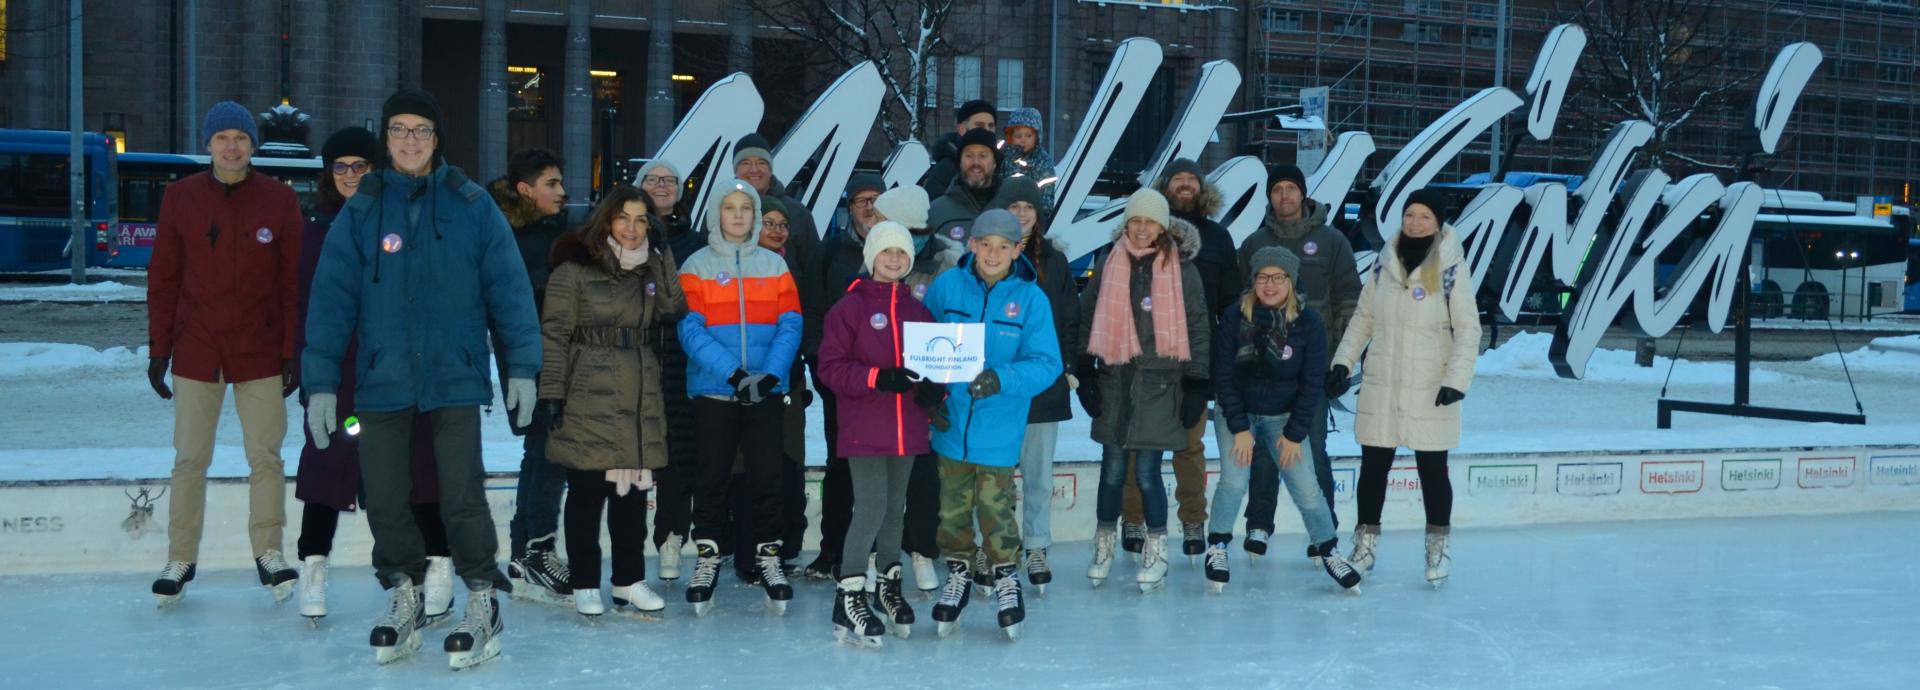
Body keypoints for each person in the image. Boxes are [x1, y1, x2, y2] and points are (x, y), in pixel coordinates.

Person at [303, 89, 541, 668]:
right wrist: (322, 383)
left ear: (437, 140)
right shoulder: (362, 209)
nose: (411, 140)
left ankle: (483, 598)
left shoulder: (471, 204)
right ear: (386, 139)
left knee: (460, 494)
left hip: (453, 376)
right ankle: (404, 593)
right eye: (400, 130)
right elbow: (331, 302)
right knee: (384, 495)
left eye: (422, 130)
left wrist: (523, 366)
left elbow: (508, 290)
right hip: (382, 378)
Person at [293, 126, 454, 623]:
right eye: (340, 167)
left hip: (402, 367)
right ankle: (313, 565)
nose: (349, 176)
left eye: (359, 166)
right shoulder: (316, 226)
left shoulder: (402, 216)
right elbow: (306, 305)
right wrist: (310, 371)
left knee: (418, 468)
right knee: (330, 462)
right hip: (341, 372)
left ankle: (436, 565)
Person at [146, 101, 303, 608]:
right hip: (197, 349)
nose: (231, 146)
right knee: (190, 458)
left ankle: (270, 551)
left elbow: (292, 283)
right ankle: (180, 556)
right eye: (222, 138)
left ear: (253, 145)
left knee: (266, 457)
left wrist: (290, 350)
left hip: (257, 349)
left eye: (240, 137)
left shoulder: (278, 200)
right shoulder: (180, 198)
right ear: (208, 144)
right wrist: (159, 350)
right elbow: (164, 278)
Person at [537, 185, 685, 617]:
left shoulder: (648, 271)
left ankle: (628, 580)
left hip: (638, 386)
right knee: (586, 492)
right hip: (588, 385)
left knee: (633, 496)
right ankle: (585, 581)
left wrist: (662, 254)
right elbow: (555, 333)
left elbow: (674, 306)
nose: (633, 228)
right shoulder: (575, 269)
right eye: (625, 218)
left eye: (642, 220)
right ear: (606, 221)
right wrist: (552, 392)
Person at [1326, 188, 1481, 589]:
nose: (1415, 223)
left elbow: (1467, 330)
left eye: (1424, 216)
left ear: (1438, 223)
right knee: (1373, 469)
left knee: (1433, 471)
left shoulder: (1450, 270)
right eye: (1410, 214)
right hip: (1384, 383)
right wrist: (1342, 361)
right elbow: (1364, 318)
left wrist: (1456, 381)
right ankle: (1364, 545)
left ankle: (1437, 547)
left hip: (1431, 385)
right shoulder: (1383, 267)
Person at [922, 209, 1061, 640]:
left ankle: (1004, 578)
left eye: (1005, 246)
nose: (994, 253)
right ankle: (959, 573)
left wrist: (1002, 379)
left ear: (1018, 249)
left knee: (996, 510)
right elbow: (923, 345)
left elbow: (1046, 363)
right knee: (952, 511)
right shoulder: (947, 287)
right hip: (950, 424)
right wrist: (928, 394)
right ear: (972, 245)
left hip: (999, 428)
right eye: (986, 244)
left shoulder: (1031, 298)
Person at [676, 179, 804, 616]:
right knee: (711, 477)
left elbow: (791, 323)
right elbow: (689, 329)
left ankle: (769, 557)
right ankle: (709, 556)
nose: (737, 215)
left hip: (766, 391)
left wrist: (769, 375)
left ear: (754, 215)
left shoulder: (775, 266)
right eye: (729, 207)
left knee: (767, 476)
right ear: (717, 213)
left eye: (745, 208)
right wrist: (732, 374)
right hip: (715, 392)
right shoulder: (696, 264)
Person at [1075, 189, 1210, 594]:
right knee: (1112, 471)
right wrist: (1084, 368)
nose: (1141, 228)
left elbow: (1199, 326)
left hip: (1158, 385)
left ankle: (1156, 548)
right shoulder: (1109, 263)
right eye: (1135, 220)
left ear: (1163, 226)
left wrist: (1196, 383)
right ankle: (1103, 544)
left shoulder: (1183, 270)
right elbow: (1088, 313)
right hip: (1115, 381)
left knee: (1149, 474)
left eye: (1149, 221)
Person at [1205, 246, 1360, 594]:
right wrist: (1240, 428)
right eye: (1263, 277)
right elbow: (1224, 377)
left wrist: (1293, 434)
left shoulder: (1308, 323)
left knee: (1305, 485)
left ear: (1291, 281)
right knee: (1234, 479)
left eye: (1278, 278)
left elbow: (1311, 385)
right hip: (1238, 414)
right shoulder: (1234, 317)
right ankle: (1217, 545)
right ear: (1253, 281)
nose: (1270, 285)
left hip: (1285, 417)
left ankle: (1329, 549)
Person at [816, 221, 937, 647]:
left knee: (894, 510)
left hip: (907, 431)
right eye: (887, 252)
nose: (895, 259)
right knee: (870, 508)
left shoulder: (918, 311)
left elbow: (931, 365)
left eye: (902, 253)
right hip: (866, 427)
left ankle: (888, 584)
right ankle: (848, 594)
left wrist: (935, 386)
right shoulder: (849, 308)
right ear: (872, 257)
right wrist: (876, 378)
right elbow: (829, 367)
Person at [1234, 162, 1360, 562]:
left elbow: (1349, 302)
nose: (1284, 195)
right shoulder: (1254, 243)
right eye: (1277, 190)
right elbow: (1242, 304)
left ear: (1303, 194)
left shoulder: (1331, 240)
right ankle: (1259, 524)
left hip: (1312, 368)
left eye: (1291, 188)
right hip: (1264, 369)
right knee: (1266, 449)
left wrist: (1340, 361)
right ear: (1269, 197)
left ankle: (1324, 531)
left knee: (1314, 449)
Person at [1118, 159, 1243, 561]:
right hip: (1144, 358)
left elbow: (1229, 303)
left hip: (1194, 359)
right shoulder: (1143, 232)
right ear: (1165, 187)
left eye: (1192, 179)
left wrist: (1216, 361)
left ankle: (1193, 520)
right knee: (1138, 443)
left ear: (1201, 188)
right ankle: (1132, 518)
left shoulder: (1218, 237)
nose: (1185, 185)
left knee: (1190, 446)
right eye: (1178, 179)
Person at [487, 148, 574, 607]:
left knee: (541, 450)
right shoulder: (506, 235)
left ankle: (526, 551)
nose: (562, 192)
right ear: (525, 189)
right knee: (547, 448)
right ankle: (536, 549)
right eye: (552, 184)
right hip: (528, 360)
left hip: (554, 356)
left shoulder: (554, 231)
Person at [871, 183, 961, 593]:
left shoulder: (949, 265)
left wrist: (935, 387)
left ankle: (922, 550)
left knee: (925, 481)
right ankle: (878, 554)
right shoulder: (875, 264)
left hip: (927, 395)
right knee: (881, 484)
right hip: (883, 394)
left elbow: (954, 334)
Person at [989, 175, 1076, 594]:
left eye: (1029, 209)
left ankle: (1037, 545)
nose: (1022, 214)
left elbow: (1069, 319)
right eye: (1015, 207)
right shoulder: (989, 258)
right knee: (995, 475)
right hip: (998, 388)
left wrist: (1070, 367)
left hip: (1043, 384)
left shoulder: (1055, 262)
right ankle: (995, 548)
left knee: (1038, 476)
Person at [804, 172, 888, 581]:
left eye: (875, 198)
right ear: (849, 207)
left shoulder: (896, 251)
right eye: (861, 200)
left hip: (888, 384)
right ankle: (831, 549)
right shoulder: (833, 249)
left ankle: (877, 550)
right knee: (840, 466)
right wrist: (823, 366)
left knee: (882, 468)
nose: (868, 206)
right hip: (844, 382)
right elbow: (816, 309)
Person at [633, 158, 702, 585]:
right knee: (635, 455)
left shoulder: (693, 242)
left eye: (670, 180)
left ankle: (672, 538)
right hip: (634, 358)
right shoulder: (621, 238)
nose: (662, 185)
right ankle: (631, 545)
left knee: (679, 454)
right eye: (653, 179)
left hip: (682, 358)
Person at [927, 128, 1004, 245]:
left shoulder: (1010, 210)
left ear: (994, 163)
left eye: (983, 156)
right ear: (960, 162)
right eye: (969, 156)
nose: (976, 163)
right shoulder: (935, 212)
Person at [924, 99, 996, 195]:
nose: (987, 131)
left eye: (991, 126)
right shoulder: (945, 170)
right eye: (979, 125)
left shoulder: (1002, 165)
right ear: (962, 129)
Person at [997, 107, 1057, 212]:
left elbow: (1046, 194)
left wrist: (1041, 215)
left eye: (1028, 136)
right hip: (1003, 213)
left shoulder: (1042, 161)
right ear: (1010, 136)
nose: (1023, 140)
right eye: (1018, 136)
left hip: (1030, 215)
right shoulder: (1002, 154)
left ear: (1037, 136)